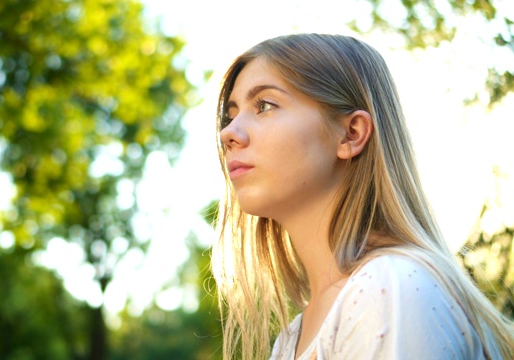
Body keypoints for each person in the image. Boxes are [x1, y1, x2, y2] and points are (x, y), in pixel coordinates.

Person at [211, 33, 514, 360]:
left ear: (351, 134)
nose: (228, 133)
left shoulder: (388, 289)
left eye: (265, 105)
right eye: (232, 115)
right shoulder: (291, 340)